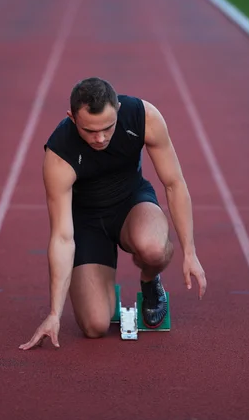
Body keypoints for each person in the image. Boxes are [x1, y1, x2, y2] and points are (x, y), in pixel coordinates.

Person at [19, 77, 206, 350]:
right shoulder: (59, 153)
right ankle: (101, 286)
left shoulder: (143, 117)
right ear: (72, 118)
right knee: (95, 326)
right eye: (90, 131)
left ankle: (149, 279)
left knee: (154, 249)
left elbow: (174, 184)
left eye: (108, 127)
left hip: (131, 204)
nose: (101, 138)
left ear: (117, 109)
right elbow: (61, 236)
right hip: (87, 222)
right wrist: (54, 314)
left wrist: (190, 252)